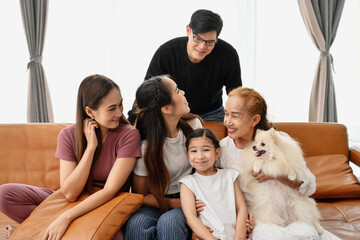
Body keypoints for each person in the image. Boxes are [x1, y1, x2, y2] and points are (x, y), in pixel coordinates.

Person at [0, 74, 141, 240]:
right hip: (72, 201)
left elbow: (110, 191)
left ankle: (39, 229)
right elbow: (70, 193)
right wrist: (90, 148)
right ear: (90, 111)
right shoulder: (68, 135)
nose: (119, 112)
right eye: (112, 108)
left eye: (120, 104)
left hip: (105, 203)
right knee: (5, 194)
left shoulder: (129, 135)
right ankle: (57, 230)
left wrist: (65, 218)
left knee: (113, 237)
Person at [215, 86, 340, 239]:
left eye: (235, 116)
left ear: (255, 119)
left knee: (306, 234)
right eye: (226, 114)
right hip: (260, 219)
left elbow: (308, 186)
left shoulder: (278, 140)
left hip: (293, 212)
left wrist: (275, 175)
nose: (228, 121)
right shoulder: (221, 150)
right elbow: (215, 191)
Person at [123, 75, 203, 240]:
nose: (183, 92)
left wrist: (186, 203)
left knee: (169, 223)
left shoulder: (194, 126)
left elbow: (209, 169)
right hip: (156, 200)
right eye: (177, 91)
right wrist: (174, 203)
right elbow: (141, 195)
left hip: (187, 198)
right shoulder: (145, 147)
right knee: (136, 224)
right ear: (166, 109)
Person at [128, 9, 242, 124]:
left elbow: (236, 93)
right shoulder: (166, 52)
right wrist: (131, 124)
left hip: (212, 113)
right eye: (197, 38)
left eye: (210, 42)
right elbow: (147, 93)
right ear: (188, 30)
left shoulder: (228, 54)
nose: (202, 47)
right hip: (176, 112)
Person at [180, 128, 248, 240]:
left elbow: (241, 208)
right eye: (194, 151)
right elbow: (191, 217)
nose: (200, 156)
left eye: (206, 150)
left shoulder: (230, 176)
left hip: (235, 236)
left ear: (217, 153)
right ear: (188, 155)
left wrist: (239, 237)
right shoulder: (187, 183)